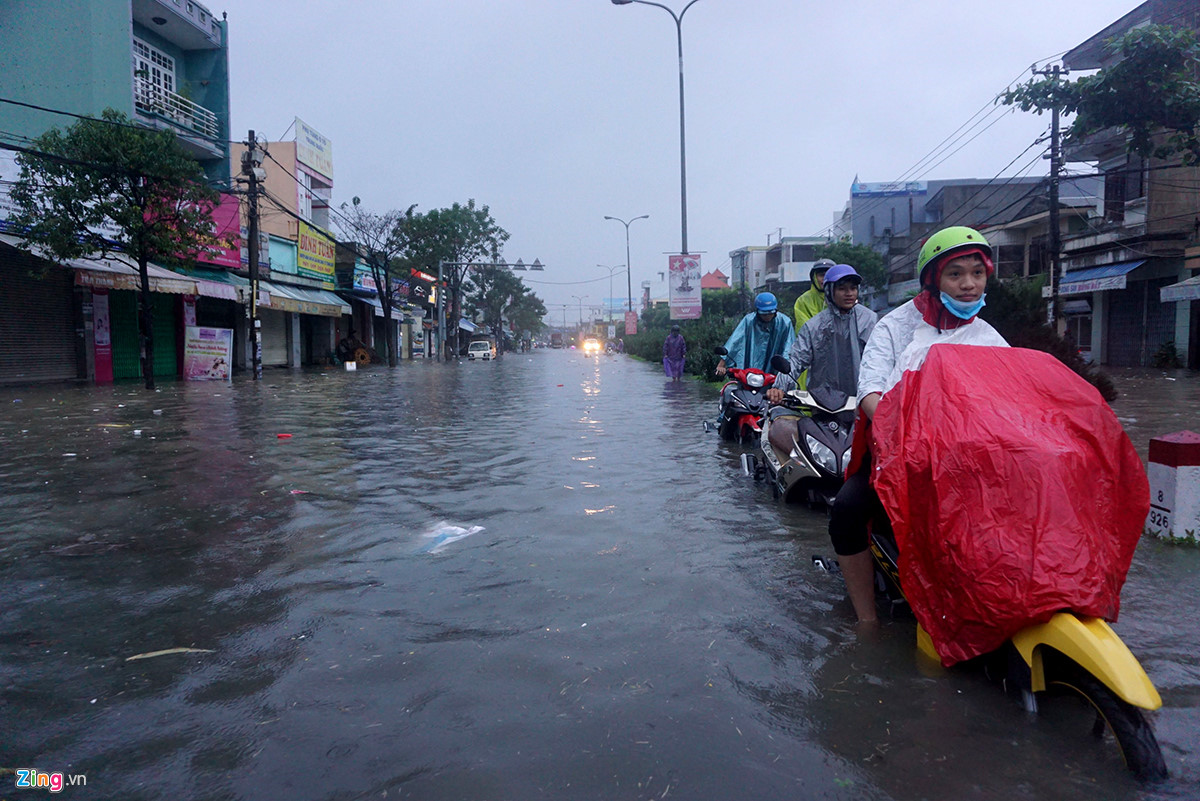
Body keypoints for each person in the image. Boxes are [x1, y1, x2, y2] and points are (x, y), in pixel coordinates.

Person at [829, 226, 1008, 625]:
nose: (969, 284)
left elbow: (1014, 400)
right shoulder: (894, 327)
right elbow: (871, 393)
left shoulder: (990, 338)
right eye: (956, 273)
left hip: (968, 461)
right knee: (846, 510)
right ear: (933, 278)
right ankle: (867, 621)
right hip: (899, 455)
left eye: (977, 273)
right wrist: (908, 426)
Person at [767, 264, 877, 402]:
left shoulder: (869, 320)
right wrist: (779, 387)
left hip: (863, 401)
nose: (849, 293)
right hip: (822, 403)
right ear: (829, 291)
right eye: (842, 289)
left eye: (853, 288)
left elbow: (880, 359)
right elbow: (797, 359)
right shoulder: (814, 326)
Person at [715, 292, 795, 378]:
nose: (767, 316)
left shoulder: (785, 323)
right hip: (749, 376)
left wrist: (787, 369)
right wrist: (721, 365)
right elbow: (735, 341)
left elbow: (789, 348)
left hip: (775, 377)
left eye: (770, 313)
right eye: (764, 314)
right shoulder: (749, 321)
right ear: (757, 311)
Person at [793, 258, 836, 334]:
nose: (825, 278)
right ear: (814, 277)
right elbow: (804, 328)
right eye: (821, 275)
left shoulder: (844, 297)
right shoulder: (803, 300)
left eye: (828, 275)